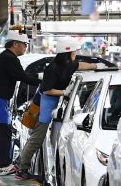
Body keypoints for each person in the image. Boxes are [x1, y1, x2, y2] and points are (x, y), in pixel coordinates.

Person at [12, 37, 101, 178]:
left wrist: (97, 66)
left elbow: (81, 65)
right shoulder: (52, 69)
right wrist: (64, 93)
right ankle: (21, 169)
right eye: (75, 51)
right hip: (44, 106)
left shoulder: (68, 64)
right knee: (37, 139)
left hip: (52, 105)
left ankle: (20, 163)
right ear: (68, 52)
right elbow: (47, 90)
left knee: (35, 139)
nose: (76, 53)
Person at [0, 30, 39, 174]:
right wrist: (42, 79)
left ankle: (2, 164)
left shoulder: (6, 57)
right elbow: (22, 76)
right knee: (3, 131)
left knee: (2, 131)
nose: (25, 48)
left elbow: (21, 75)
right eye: (24, 45)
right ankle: (3, 165)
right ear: (15, 44)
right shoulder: (9, 58)